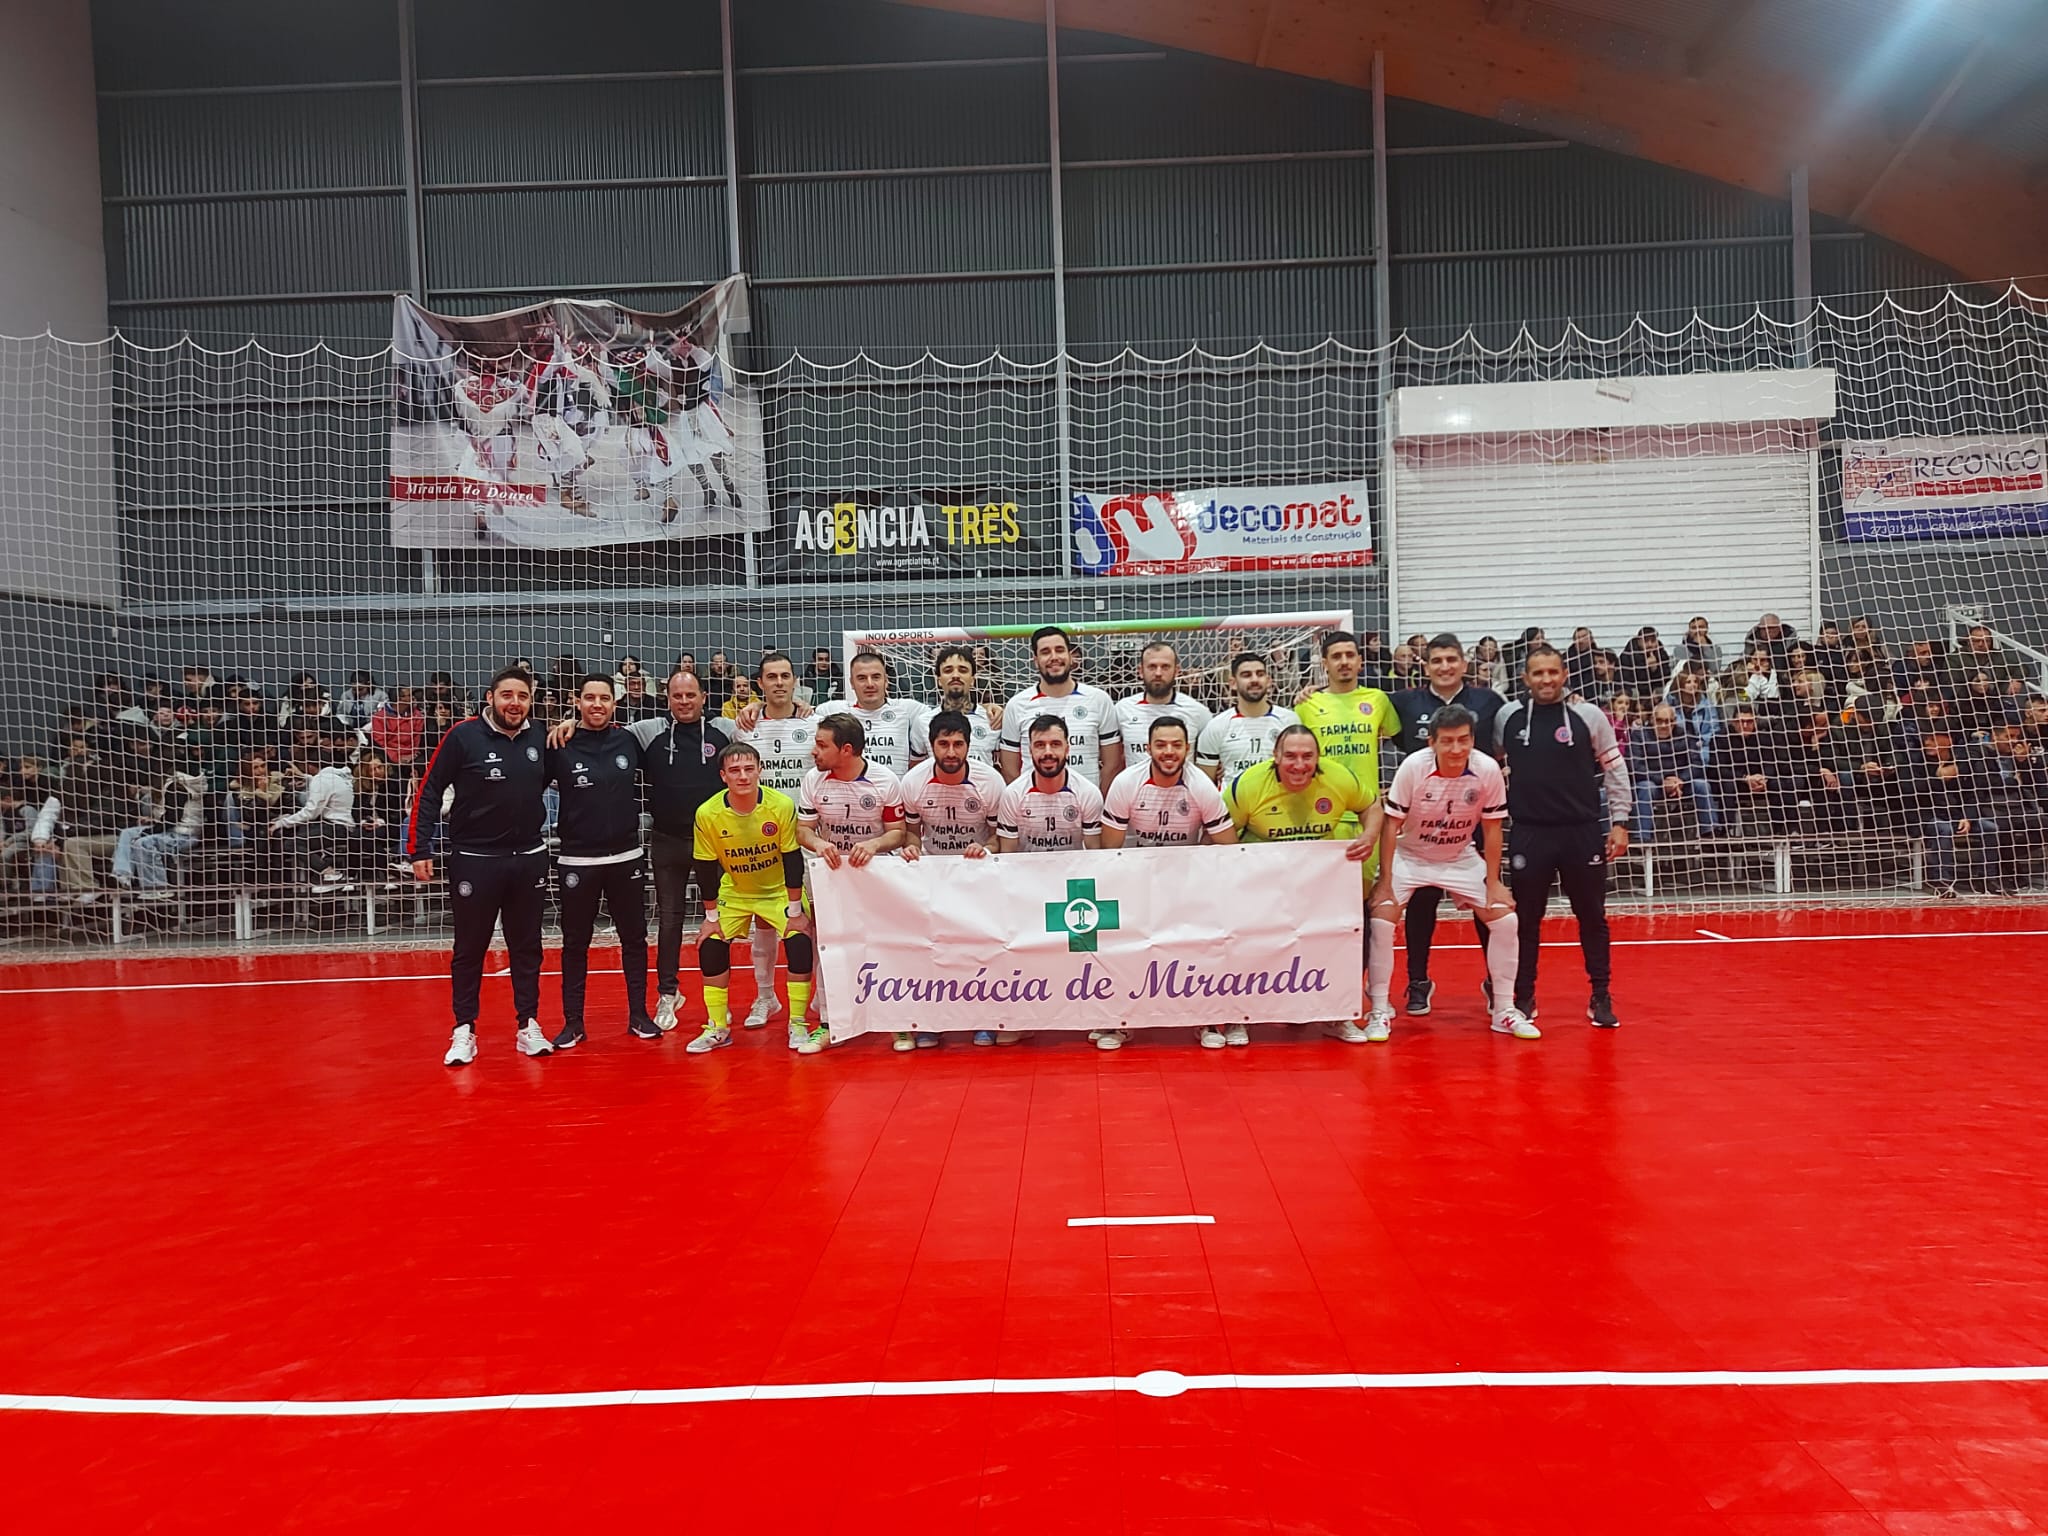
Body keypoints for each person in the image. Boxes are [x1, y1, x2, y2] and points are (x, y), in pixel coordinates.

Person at [408, 665, 556, 1067]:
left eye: (523, 696)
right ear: (490, 697)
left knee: (527, 948)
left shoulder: (542, 737)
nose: (515, 703)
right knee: (469, 949)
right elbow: (430, 789)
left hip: (527, 858)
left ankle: (528, 1026)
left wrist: (573, 725)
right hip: (474, 860)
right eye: (507, 695)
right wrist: (420, 849)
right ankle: (464, 1030)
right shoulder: (462, 735)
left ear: (531, 701)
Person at [1369, 705, 1536, 1042]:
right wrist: (1385, 882)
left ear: (1473, 740)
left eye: (1464, 740)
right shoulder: (1413, 767)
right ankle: (1378, 1009)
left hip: (1459, 857)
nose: (1456, 749)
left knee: (1505, 919)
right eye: (1447, 741)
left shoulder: (1487, 769)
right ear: (1432, 742)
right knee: (1381, 919)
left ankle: (1504, 1009)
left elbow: (1492, 830)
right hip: (1411, 856)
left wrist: (1494, 882)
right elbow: (1391, 827)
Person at [1493, 645, 1630, 1029]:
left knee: (1592, 916)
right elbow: (1493, 763)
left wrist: (1620, 821)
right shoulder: (1509, 717)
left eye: (1552, 672)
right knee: (1525, 919)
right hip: (1529, 833)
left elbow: (1615, 769)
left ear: (1565, 673)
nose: (1546, 679)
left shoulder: (1589, 716)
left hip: (1582, 832)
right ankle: (1522, 996)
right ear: (1525, 678)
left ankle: (1600, 995)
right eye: (1538, 673)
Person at [1223, 724, 1382, 1040]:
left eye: (1307, 756)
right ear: (1275, 757)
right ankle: (1237, 1015)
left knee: (1346, 933)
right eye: (1291, 756)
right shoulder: (1249, 786)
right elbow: (1220, 833)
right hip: (1262, 882)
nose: (1299, 765)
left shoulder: (1337, 778)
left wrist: (1369, 835)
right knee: (1248, 941)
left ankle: (1336, 1014)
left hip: (1319, 879)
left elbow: (1371, 806)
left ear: (1318, 758)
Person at [1099, 717, 1237, 1050]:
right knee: (1124, 948)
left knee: (1200, 947)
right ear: (1148, 749)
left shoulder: (1201, 785)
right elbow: (1108, 849)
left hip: (1187, 881)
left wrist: (1194, 865)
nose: (1169, 751)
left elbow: (1229, 846)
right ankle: (1120, 1021)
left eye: (1176, 745)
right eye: (1161, 745)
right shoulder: (1126, 783)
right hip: (1137, 879)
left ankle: (1205, 1019)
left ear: (1187, 748)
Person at [1389, 633, 1504, 1015]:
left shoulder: (1488, 702)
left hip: (1474, 816)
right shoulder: (1405, 701)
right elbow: (1361, 714)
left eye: (1451, 659)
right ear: (1426, 666)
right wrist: (1311, 693)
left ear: (1464, 663)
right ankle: (1418, 981)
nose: (1444, 666)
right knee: (1422, 905)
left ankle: (1496, 982)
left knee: (1486, 903)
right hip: (1424, 822)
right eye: (1436, 660)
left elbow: (1506, 744)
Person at [684, 742, 816, 1055]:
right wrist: (711, 918)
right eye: (734, 770)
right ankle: (717, 1028)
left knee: (799, 941)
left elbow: (792, 859)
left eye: (748, 769)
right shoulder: (708, 813)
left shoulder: (781, 805)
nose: (743, 776)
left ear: (760, 771)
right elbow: (704, 867)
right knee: (711, 946)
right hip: (737, 891)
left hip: (780, 890)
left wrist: (795, 911)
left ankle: (797, 1022)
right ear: (723, 776)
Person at [545, 674, 655, 1050]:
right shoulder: (559, 744)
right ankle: (573, 1022)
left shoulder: (628, 740)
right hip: (577, 860)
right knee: (575, 943)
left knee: (635, 939)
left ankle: (639, 1014)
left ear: (614, 703)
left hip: (627, 857)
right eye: (589, 698)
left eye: (604, 699)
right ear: (578, 702)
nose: (597, 705)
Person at [990, 715, 1104, 1047]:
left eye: (1055, 744)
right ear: (1029, 751)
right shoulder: (1013, 795)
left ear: (1068, 747)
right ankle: (1020, 1017)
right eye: (1040, 745)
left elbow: (1094, 856)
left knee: (1088, 944)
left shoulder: (1087, 793)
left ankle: (1095, 1014)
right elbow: (1007, 856)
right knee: (1021, 949)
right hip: (1027, 885)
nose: (1048, 752)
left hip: (1072, 886)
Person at [629, 668, 732, 1032]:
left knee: (718, 920)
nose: (684, 702)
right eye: (677, 696)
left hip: (714, 844)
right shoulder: (648, 732)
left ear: (704, 697)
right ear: (667, 698)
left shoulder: (726, 730)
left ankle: (719, 998)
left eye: (691, 695)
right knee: (669, 919)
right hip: (667, 840)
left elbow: (762, 729)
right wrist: (569, 725)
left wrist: (799, 707)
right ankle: (668, 993)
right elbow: (602, 732)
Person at [897, 709, 1008, 1049]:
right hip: (933, 877)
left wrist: (984, 849)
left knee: (981, 950)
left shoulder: (990, 781)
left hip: (977, 877)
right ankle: (933, 1019)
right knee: (935, 951)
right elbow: (911, 834)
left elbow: (998, 838)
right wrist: (912, 850)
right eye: (943, 744)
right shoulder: (913, 782)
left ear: (968, 745)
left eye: (958, 744)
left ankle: (984, 1018)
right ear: (931, 746)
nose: (950, 752)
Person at [796, 713, 906, 1052]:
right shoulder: (813, 780)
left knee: (890, 948)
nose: (814, 751)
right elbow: (803, 830)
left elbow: (898, 834)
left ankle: (899, 1024)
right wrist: (818, 844)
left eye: (821, 744)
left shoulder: (885, 780)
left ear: (846, 750)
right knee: (828, 950)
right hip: (830, 877)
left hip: (875, 879)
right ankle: (830, 1024)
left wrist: (873, 845)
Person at [731, 650, 815, 1029]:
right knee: (762, 925)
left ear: (795, 682)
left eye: (785, 675)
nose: (779, 682)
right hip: (761, 841)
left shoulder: (815, 724)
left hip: (808, 839)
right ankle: (766, 997)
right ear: (760, 684)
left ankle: (817, 997)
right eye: (772, 676)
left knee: (810, 924)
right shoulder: (744, 727)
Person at [1294, 630, 1400, 835]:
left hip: (1368, 810)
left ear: (1360, 661)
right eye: (1336, 656)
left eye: (1350, 655)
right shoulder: (1306, 704)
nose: (1344, 662)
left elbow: (1393, 741)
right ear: (1325, 664)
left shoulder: (1378, 699)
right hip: (1322, 810)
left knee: (1368, 868)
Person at [999, 627, 1124, 788]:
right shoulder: (1017, 705)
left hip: (1086, 807)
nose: (1054, 657)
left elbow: (1112, 764)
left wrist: (1098, 802)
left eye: (1059, 650)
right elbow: (1010, 769)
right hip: (1034, 806)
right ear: (1036, 660)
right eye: (1045, 652)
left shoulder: (1098, 700)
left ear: (1070, 656)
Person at [270, 727, 355, 894]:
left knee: (292, 843)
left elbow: (311, 812)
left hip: (334, 827)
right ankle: (329, 874)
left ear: (310, 765)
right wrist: (306, 779)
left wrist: (281, 823)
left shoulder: (321, 780)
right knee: (303, 835)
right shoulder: (338, 777)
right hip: (342, 825)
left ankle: (331, 874)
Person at [1196, 652, 1300, 785]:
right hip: (1232, 805)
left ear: (1268, 681)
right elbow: (1206, 784)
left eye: (1260, 674)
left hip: (1278, 803)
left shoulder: (1289, 721)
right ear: (1233, 683)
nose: (1254, 680)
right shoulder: (1216, 726)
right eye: (1246, 675)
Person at [1113, 642, 1215, 766]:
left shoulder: (1198, 711)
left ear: (1177, 671)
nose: (1158, 673)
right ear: (1140, 671)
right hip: (1135, 785)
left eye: (1165, 667)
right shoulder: (1122, 709)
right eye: (1152, 667)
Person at [1629, 703, 1718, 839]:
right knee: (1645, 788)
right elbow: (1635, 766)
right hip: (1653, 783)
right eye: (1659, 721)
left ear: (1674, 721)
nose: (1664, 725)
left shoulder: (1685, 735)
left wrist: (1680, 780)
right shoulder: (1639, 735)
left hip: (1681, 784)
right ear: (1652, 720)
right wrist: (1663, 781)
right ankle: (1642, 839)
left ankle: (1710, 834)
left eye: (1668, 721)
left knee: (1701, 785)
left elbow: (1697, 763)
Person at [842, 650, 930, 774]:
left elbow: (943, 714)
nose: (870, 684)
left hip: (896, 792)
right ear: (851, 683)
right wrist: (804, 707)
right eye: (861, 678)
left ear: (886, 680)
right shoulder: (834, 711)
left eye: (876, 677)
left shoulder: (910, 709)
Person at [913, 645, 1004, 764]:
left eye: (963, 670)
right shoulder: (923, 722)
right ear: (938, 680)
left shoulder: (993, 719)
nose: (955, 675)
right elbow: (916, 768)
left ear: (972, 680)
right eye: (948, 670)